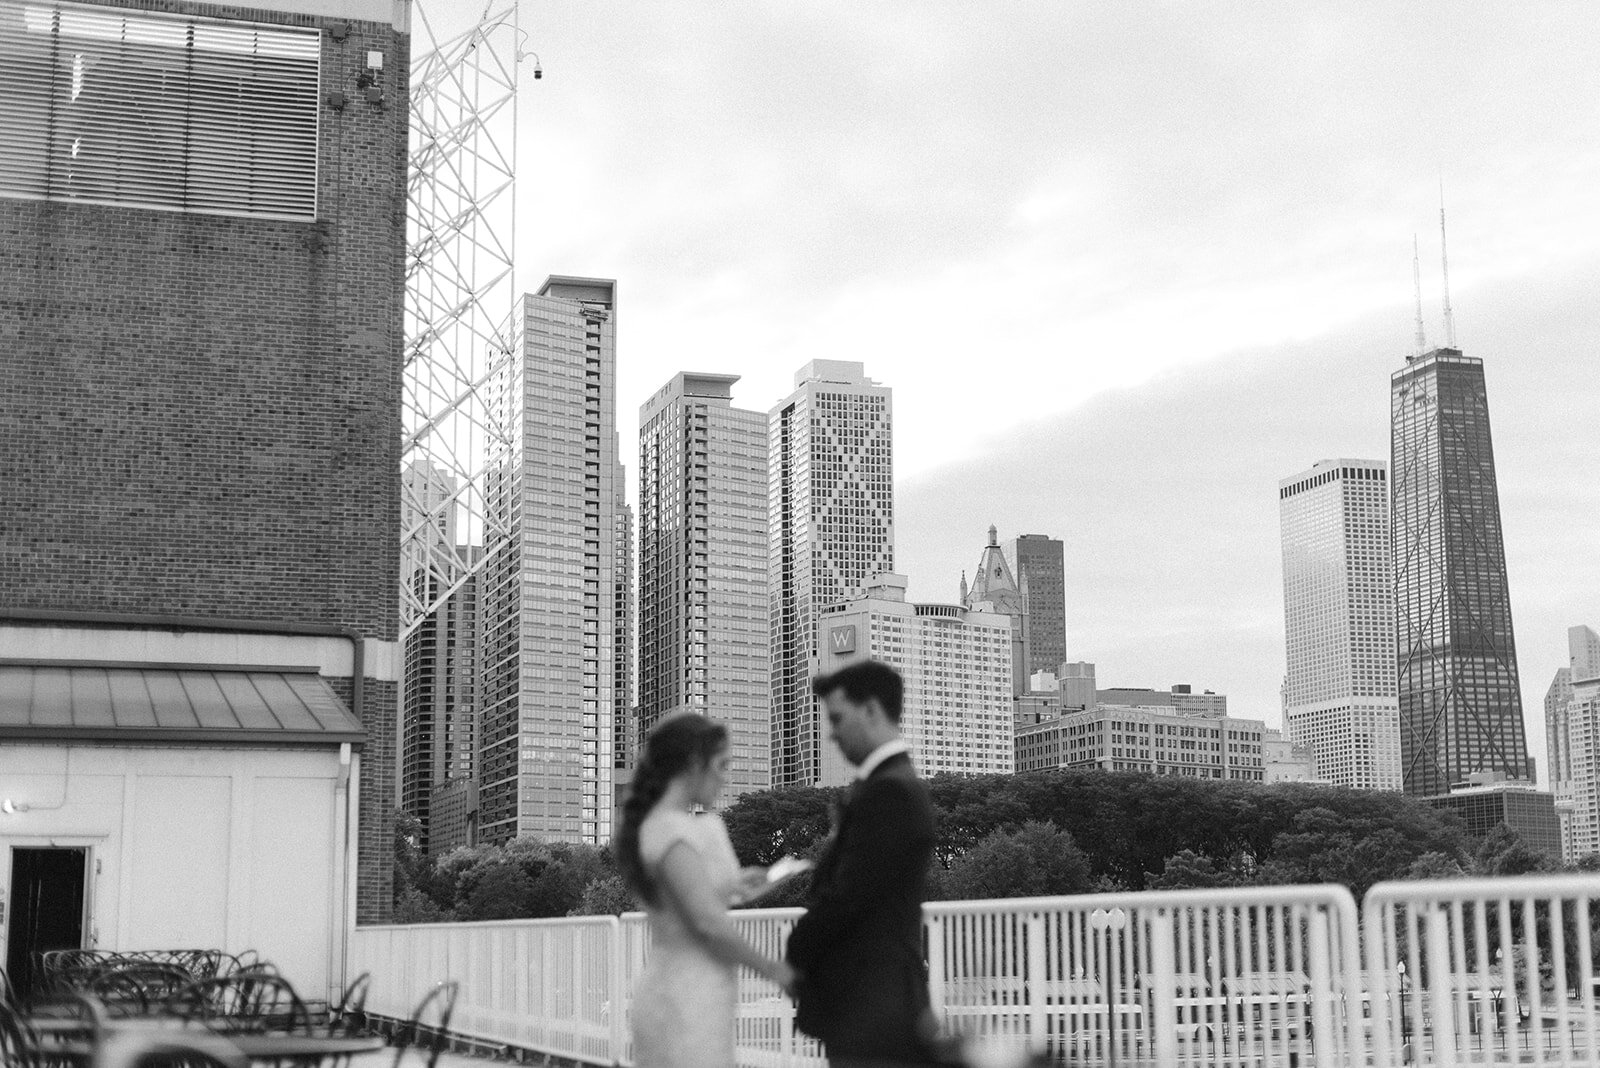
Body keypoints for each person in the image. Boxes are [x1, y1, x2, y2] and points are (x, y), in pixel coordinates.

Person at [616, 712, 796, 1068]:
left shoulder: (667, 827)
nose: (725, 778)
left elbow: (694, 899)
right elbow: (708, 925)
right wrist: (774, 970)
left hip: (694, 993)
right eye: (722, 765)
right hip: (684, 1000)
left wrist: (738, 884)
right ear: (694, 763)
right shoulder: (670, 831)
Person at [786, 660, 938, 1068]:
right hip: (877, 996)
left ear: (871, 709)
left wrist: (796, 947)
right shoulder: (893, 785)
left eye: (837, 718)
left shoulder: (888, 793)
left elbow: (850, 896)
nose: (831, 733)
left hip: (872, 1000)